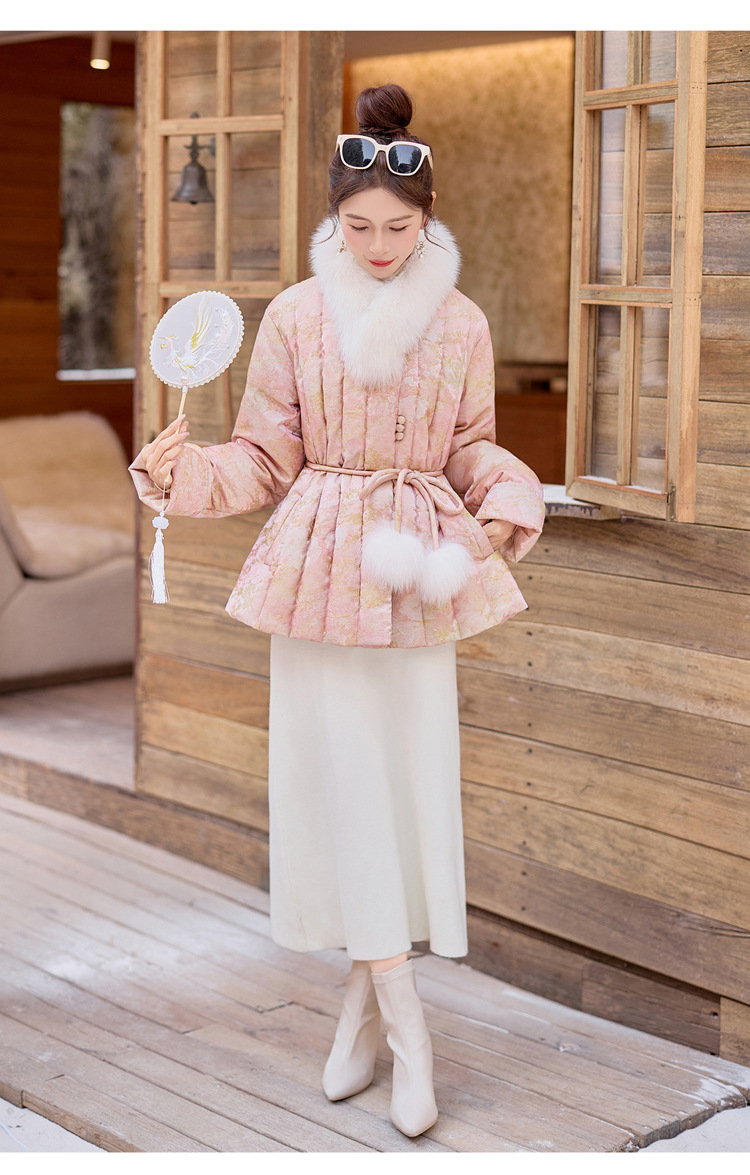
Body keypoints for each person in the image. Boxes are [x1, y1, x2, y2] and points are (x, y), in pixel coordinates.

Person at [129, 82, 545, 1139]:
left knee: (398, 791)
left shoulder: (461, 324)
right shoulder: (295, 318)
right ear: (335, 219)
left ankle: (365, 1010)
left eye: (398, 228)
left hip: (417, 579)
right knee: (341, 790)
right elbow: (265, 457)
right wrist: (180, 474)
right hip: (317, 576)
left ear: (428, 216)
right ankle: (407, 1025)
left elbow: (470, 448)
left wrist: (506, 491)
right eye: (358, 227)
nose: (378, 246)